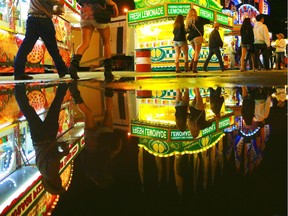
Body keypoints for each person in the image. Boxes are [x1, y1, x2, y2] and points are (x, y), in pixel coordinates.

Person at [14, 83, 69, 195]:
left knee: (55, 107)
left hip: (46, 137)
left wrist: (63, 153)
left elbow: (53, 158)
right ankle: (19, 91)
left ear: (52, 182)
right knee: (30, 113)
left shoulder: (51, 173)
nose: (60, 181)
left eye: (58, 184)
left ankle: (64, 84)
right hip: (38, 139)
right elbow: (48, 153)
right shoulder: (43, 172)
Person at [69, 81, 122, 189]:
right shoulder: (90, 170)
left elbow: (114, 151)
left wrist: (117, 143)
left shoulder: (106, 167)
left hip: (105, 139)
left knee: (108, 112)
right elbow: (84, 155)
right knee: (88, 113)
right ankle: (74, 92)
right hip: (92, 143)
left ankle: (109, 87)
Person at [13, 0, 72, 80]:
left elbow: (42, 5)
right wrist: (58, 2)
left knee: (26, 47)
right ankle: (62, 69)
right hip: (43, 20)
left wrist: (53, 11)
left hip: (32, 18)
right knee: (52, 48)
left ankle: (18, 72)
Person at [69, 0, 119, 81]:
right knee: (106, 43)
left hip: (84, 16)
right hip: (98, 16)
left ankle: (73, 67)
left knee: (84, 43)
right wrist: (115, 6)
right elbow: (110, 3)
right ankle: (108, 72)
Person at [185, 8, 210, 73]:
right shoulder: (198, 18)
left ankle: (191, 65)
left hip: (191, 39)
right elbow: (208, 21)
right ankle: (194, 68)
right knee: (197, 52)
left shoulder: (188, 21)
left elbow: (187, 31)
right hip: (198, 37)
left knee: (195, 51)